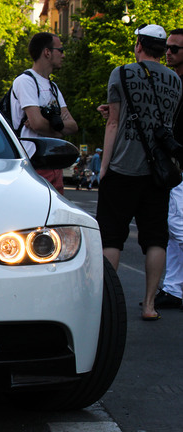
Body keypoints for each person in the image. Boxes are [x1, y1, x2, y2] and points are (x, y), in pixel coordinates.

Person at [96, 24, 182, 321]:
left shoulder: (121, 73)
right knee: (156, 238)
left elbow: (114, 124)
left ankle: (106, 303)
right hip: (158, 171)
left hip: (122, 166)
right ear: (162, 49)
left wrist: (104, 167)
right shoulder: (175, 81)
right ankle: (149, 304)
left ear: (138, 45)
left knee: (111, 236)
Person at [10, 32, 78, 195]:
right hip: (34, 162)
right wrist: (58, 127)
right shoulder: (26, 81)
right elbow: (37, 123)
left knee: (56, 216)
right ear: (47, 52)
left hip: (54, 162)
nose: (63, 54)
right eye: (60, 50)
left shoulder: (53, 87)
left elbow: (73, 126)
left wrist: (49, 124)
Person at [151, 28, 183, 310]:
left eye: (174, 48)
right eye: (166, 48)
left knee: (178, 226)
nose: (168, 52)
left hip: (180, 164)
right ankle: (173, 289)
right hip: (173, 165)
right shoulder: (172, 82)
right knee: (172, 230)